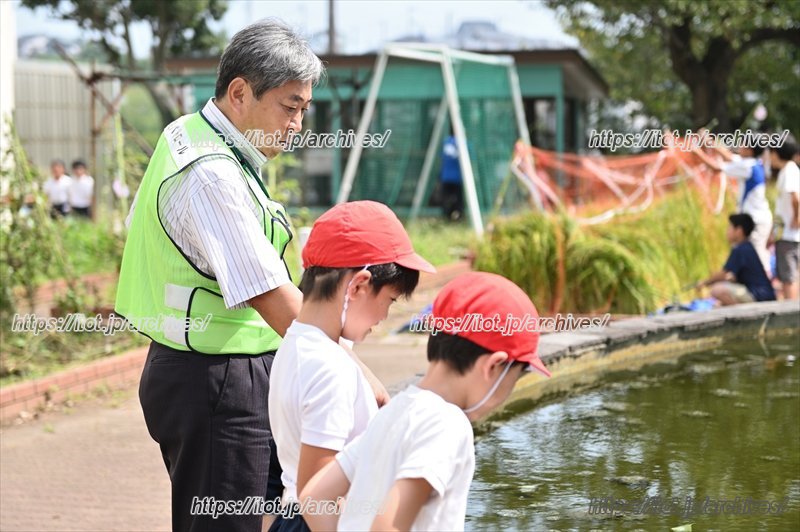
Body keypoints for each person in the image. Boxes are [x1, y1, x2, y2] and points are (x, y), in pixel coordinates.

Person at [115, 20, 387, 532]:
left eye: (304, 110)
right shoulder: (210, 173)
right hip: (217, 383)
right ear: (240, 92)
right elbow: (278, 302)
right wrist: (360, 376)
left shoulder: (188, 136)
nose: (298, 124)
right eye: (290, 107)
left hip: (213, 372)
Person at [299, 271, 552, 531]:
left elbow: (314, 498)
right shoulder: (448, 424)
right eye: (514, 380)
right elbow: (387, 526)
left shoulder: (394, 410)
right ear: (494, 366)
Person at [268, 200, 435, 532]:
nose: (384, 317)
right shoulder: (330, 367)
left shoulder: (297, 344)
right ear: (358, 285)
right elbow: (316, 498)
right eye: (388, 300)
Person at [707, 140, 773, 276]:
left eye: (743, 145)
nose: (740, 147)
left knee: (757, 255)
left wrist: (695, 150)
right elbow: (729, 157)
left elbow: (716, 167)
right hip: (757, 219)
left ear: (750, 150)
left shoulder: (747, 166)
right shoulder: (752, 163)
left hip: (756, 221)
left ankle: (766, 287)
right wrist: (709, 141)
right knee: (753, 254)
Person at [698, 213, 776, 305]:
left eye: (730, 228)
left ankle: (743, 315)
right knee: (719, 303)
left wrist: (705, 283)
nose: (727, 231)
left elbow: (723, 273)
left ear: (739, 231)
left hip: (759, 295)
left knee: (717, 290)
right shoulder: (747, 247)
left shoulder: (740, 249)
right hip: (763, 294)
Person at [770, 139, 800, 300]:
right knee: (788, 274)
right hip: (785, 232)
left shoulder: (789, 171)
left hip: (789, 233)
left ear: (776, 153)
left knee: (789, 276)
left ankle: (791, 313)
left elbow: (795, 198)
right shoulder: (788, 171)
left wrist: (797, 217)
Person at [440, 134, 464, 220]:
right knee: (458, 200)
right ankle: (457, 216)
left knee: (446, 198)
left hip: (446, 177)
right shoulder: (464, 142)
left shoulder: (446, 142)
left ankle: (447, 216)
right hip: (458, 178)